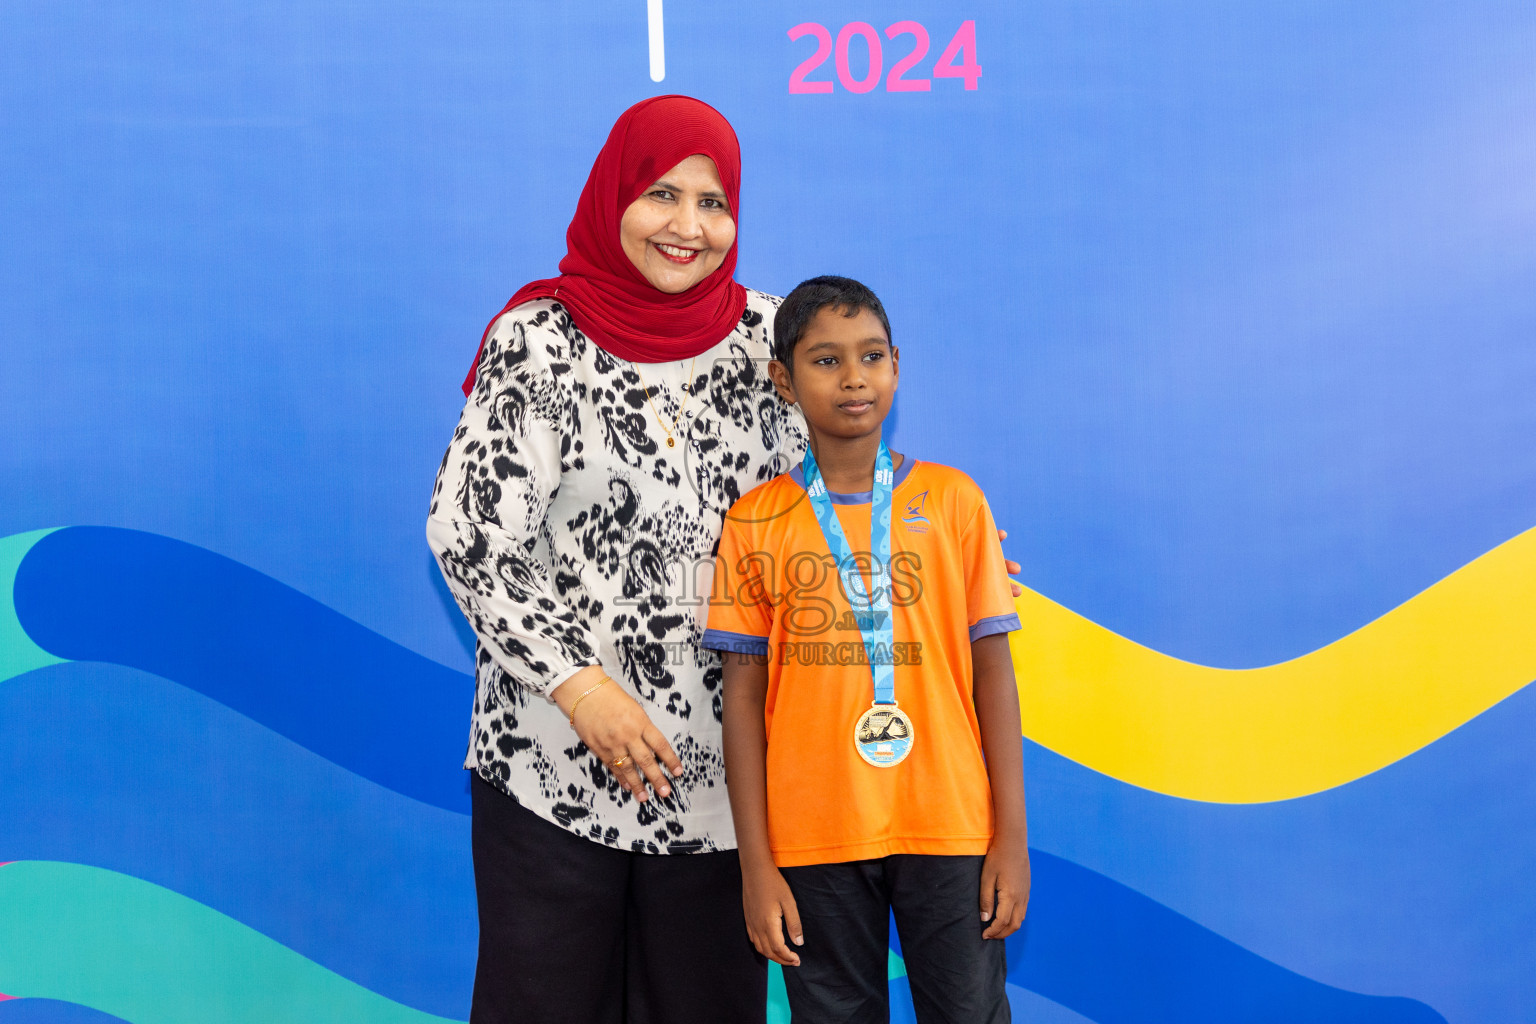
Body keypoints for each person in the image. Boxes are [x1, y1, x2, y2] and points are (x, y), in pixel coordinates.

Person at [704, 276, 1031, 1024]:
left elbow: (994, 679)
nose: (854, 377)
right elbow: (742, 702)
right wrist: (757, 867)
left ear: (896, 366)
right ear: (783, 381)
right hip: (814, 835)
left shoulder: (954, 502)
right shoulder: (756, 522)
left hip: (950, 826)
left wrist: (1010, 836)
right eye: (826, 360)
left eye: (872, 356)